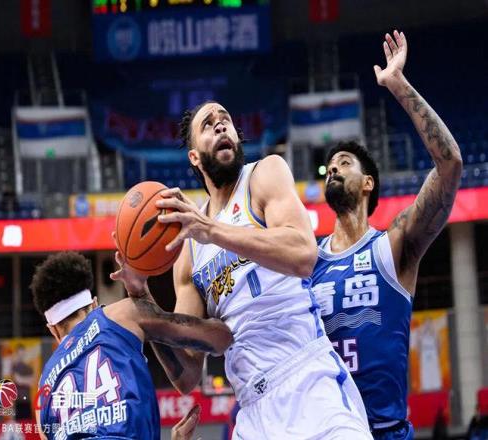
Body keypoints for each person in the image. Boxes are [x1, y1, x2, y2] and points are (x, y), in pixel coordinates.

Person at [113, 99, 373, 438]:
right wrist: (140, 295)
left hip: (309, 380)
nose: (221, 125)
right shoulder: (190, 247)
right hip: (252, 410)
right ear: (194, 157)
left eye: (226, 119)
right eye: (208, 125)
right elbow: (187, 374)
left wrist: (212, 230)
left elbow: (303, 254)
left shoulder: (263, 175)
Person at [310, 30, 462, 439]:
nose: (334, 168)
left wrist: (398, 84)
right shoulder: (307, 261)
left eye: (345, 162)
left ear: (368, 184)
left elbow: (450, 164)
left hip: (384, 431)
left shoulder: (392, 246)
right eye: (330, 166)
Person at [31, 251, 233, 440]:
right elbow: (221, 338)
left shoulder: (43, 389)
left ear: (53, 330)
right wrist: (144, 298)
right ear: (94, 304)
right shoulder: (121, 315)